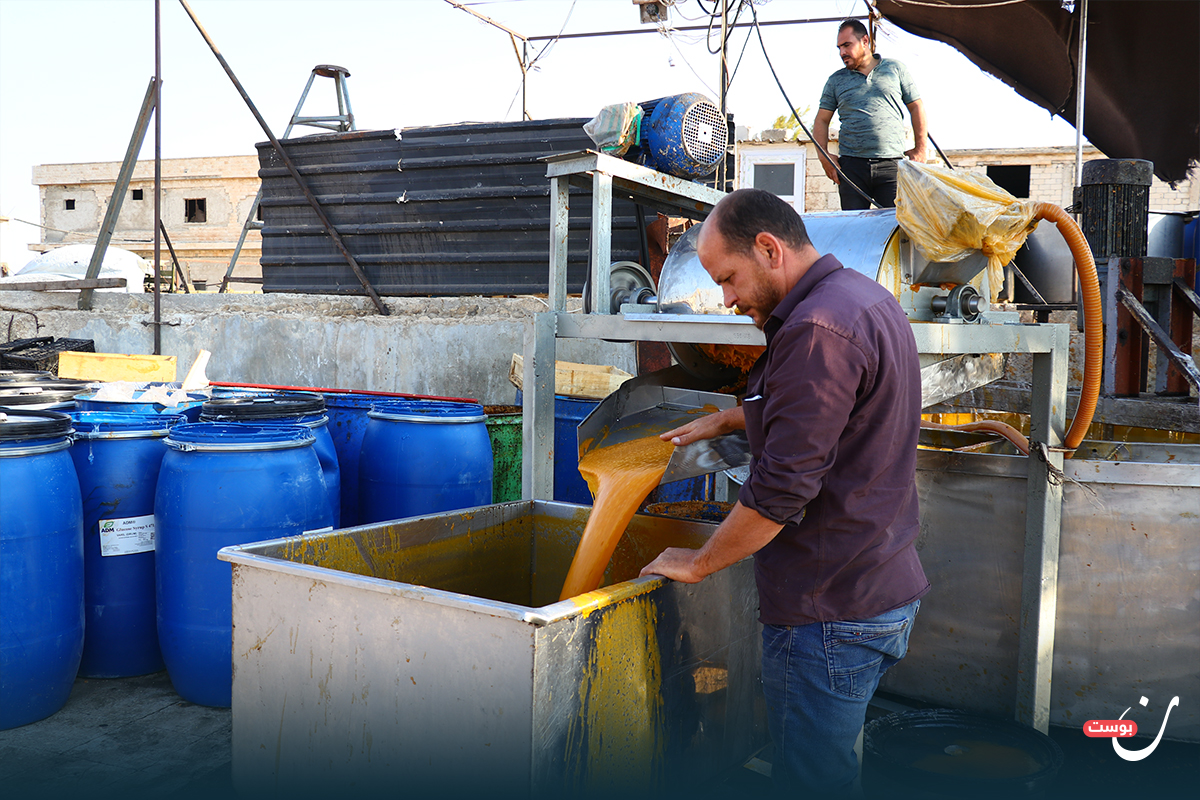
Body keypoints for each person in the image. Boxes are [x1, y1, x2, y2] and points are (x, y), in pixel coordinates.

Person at [640, 188, 929, 794]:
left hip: (827, 612)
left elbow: (781, 488)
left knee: (811, 781)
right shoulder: (863, 298)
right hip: (881, 585)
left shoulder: (815, 329)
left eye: (728, 278)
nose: (727, 299)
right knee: (833, 767)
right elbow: (836, 412)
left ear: (769, 249)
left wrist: (700, 561)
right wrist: (732, 417)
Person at [813, 19, 928, 210]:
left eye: (847, 45)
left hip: (892, 165)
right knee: (854, 226)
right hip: (851, 168)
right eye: (839, 47)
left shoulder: (895, 69)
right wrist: (823, 156)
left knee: (894, 224)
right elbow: (821, 120)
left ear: (865, 41)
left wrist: (921, 148)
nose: (842, 52)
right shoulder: (836, 80)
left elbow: (916, 107)